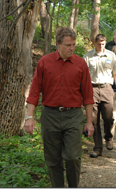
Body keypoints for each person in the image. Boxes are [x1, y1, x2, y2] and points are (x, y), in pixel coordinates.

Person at [25, 27, 94, 187]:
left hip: (73, 116)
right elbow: (34, 91)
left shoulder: (80, 64)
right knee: (53, 159)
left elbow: (88, 95)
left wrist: (89, 122)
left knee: (72, 157)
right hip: (50, 115)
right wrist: (29, 117)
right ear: (58, 44)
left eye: (74, 45)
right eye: (68, 45)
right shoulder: (44, 62)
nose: (72, 48)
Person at [83, 34, 116, 158]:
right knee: (94, 120)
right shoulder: (87, 56)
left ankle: (108, 138)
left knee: (109, 117)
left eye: (103, 43)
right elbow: (83, 77)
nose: (101, 46)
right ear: (94, 43)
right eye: (99, 43)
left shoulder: (111, 55)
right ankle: (97, 148)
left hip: (107, 89)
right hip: (92, 89)